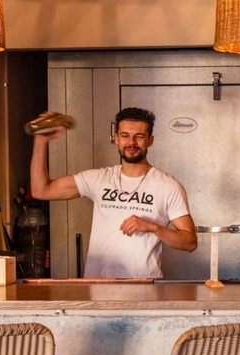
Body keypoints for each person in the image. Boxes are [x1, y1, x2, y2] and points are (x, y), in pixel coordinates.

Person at [30, 107, 197, 279]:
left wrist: (153, 227)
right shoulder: (99, 179)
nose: (131, 142)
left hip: (143, 289)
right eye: (125, 135)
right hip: (99, 289)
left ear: (150, 140)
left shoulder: (168, 186)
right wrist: (41, 140)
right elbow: (41, 190)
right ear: (116, 139)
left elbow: (190, 242)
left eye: (139, 136)